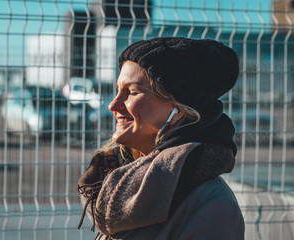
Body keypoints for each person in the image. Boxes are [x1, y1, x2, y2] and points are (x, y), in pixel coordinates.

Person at [78, 37, 245, 240]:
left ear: (179, 110)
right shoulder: (117, 178)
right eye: (117, 90)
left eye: (132, 92)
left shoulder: (213, 206)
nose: (113, 105)